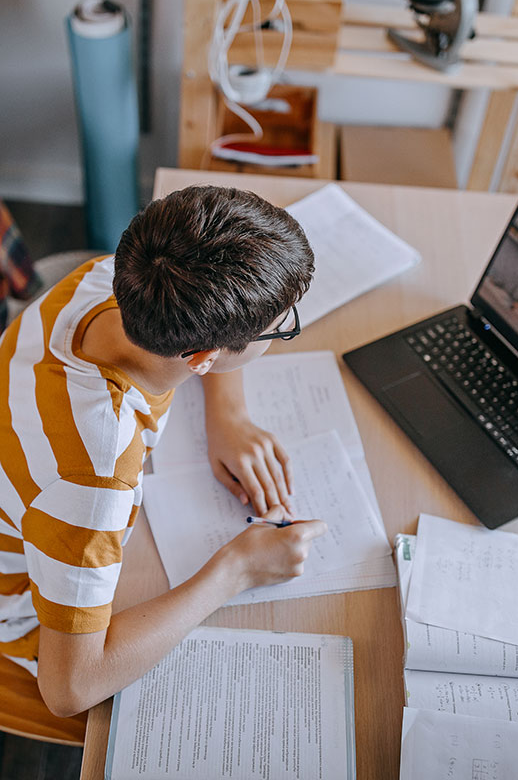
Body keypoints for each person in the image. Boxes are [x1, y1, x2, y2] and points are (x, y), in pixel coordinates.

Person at [0, 185, 328, 717]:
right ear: (201, 356)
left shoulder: (113, 278)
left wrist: (228, 414)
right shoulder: (92, 480)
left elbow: (205, 346)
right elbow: (70, 690)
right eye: (282, 326)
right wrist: (236, 570)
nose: (286, 326)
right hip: (22, 605)